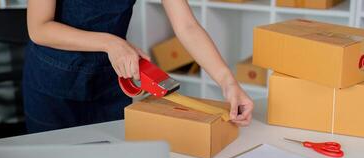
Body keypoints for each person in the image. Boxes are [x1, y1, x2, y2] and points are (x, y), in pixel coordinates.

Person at [24, 0, 254, 133]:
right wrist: (112, 43)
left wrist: (227, 81)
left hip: (109, 81)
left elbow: (187, 27)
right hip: (53, 84)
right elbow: (39, 28)